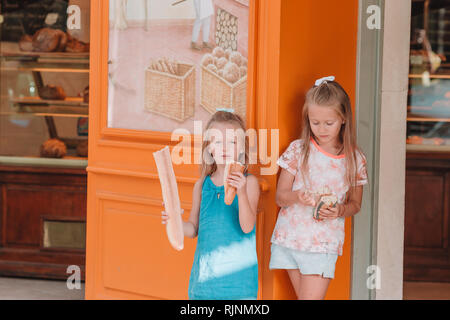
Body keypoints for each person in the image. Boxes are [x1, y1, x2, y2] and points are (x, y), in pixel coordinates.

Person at [269, 76, 368, 300]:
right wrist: (297, 196)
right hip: (290, 238)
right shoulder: (298, 150)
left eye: (328, 123)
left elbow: (355, 204)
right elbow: (280, 197)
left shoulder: (354, 159)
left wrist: (340, 210)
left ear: (343, 119)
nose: (321, 129)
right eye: (315, 123)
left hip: (323, 244)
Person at [162, 110, 260, 299]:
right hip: (204, 281)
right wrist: (174, 220)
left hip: (238, 283)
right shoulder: (202, 185)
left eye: (232, 142)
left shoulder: (249, 183)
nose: (224, 148)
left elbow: (247, 227)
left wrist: (241, 192)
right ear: (209, 148)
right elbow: (192, 229)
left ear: (241, 148)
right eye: (218, 142)